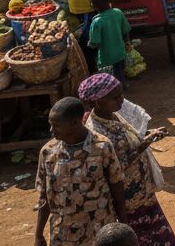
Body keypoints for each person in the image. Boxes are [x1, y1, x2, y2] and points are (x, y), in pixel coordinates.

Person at [79, 75, 175, 246]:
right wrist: (145, 143)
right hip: (130, 203)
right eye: (115, 97)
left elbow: (127, 141)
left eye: (121, 94)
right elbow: (116, 167)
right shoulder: (97, 133)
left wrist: (149, 135)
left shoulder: (113, 116)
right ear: (98, 102)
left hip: (143, 194)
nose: (121, 100)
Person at [35, 97, 127, 246]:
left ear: (75, 122)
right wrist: (39, 234)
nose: (51, 130)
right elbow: (44, 196)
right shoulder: (48, 152)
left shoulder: (102, 147)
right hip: (63, 235)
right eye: (51, 125)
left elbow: (117, 187)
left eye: (57, 125)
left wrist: (124, 227)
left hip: (98, 232)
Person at [87, 0, 131, 80]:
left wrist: (89, 45)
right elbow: (126, 30)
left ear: (92, 6)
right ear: (110, 1)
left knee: (110, 78)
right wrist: (127, 43)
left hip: (106, 59)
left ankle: (119, 87)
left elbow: (95, 42)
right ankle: (122, 84)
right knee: (120, 72)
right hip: (121, 54)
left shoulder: (96, 22)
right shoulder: (118, 12)